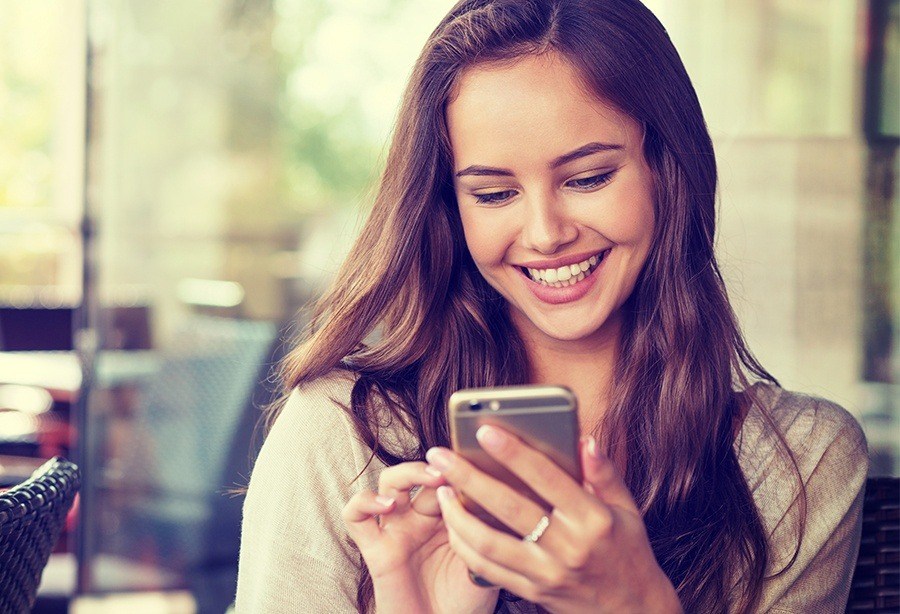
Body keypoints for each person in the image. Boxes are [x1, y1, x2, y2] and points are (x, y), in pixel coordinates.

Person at [235, 1, 869, 612]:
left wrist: (631, 604)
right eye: (492, 192)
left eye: (587, 178)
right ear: (450, 210)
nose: (544, 232)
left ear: (668, 168)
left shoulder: (800, 463)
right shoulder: (339, 435)